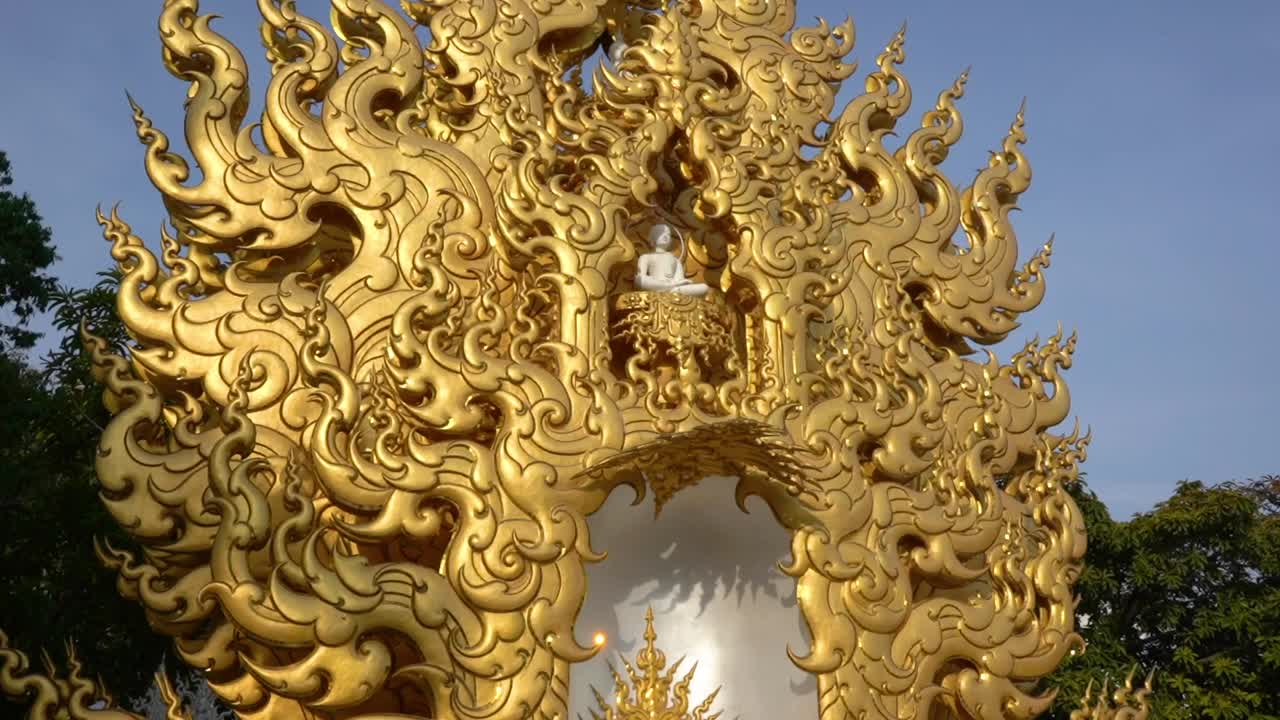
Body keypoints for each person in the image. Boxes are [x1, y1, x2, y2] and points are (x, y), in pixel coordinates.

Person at [635, 224, 710, 296]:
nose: (665, 236)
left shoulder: (676, 261)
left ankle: (668, 289)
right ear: (653, 237)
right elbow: (641, 278)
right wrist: (673, 284)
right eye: (661, 233)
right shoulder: (645, 257)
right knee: (640, 279)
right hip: (656, 285)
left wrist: (678, 283)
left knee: (704, 287)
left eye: (668, 234)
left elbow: (680, 281)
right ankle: (668, 287)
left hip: (675, 288)